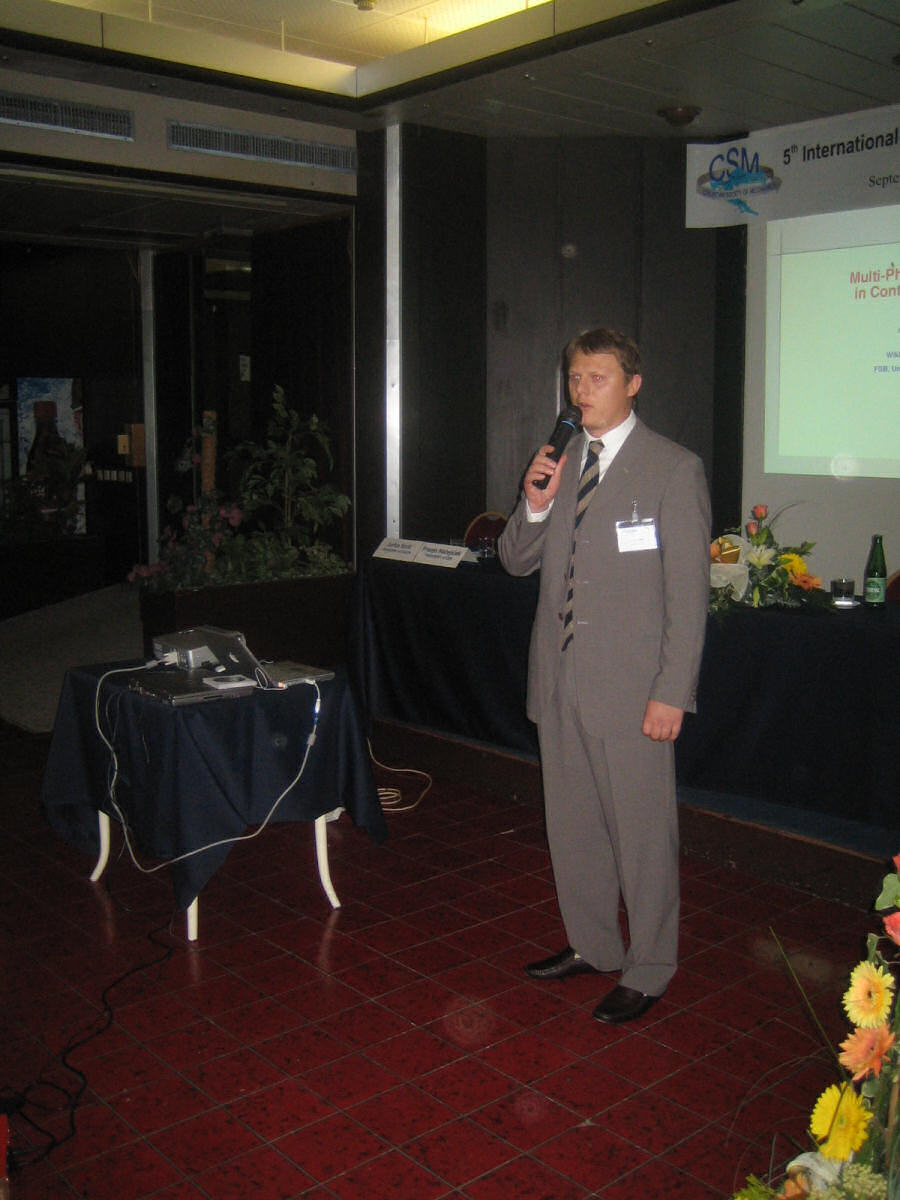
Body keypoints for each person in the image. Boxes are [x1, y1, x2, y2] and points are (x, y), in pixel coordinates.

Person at [497, 327, 711, 1024]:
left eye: (597, 378)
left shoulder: (672, 469)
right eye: (575, 378)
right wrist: (535, 500)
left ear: (633, 384)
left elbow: (688, 597)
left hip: (633, 691)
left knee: (643, 839)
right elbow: (515, 561)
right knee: (574, 828)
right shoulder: (561, 461)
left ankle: (650, 967)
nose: (581, 391)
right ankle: (593, 944)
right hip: (559, 680)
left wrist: (672, 692)